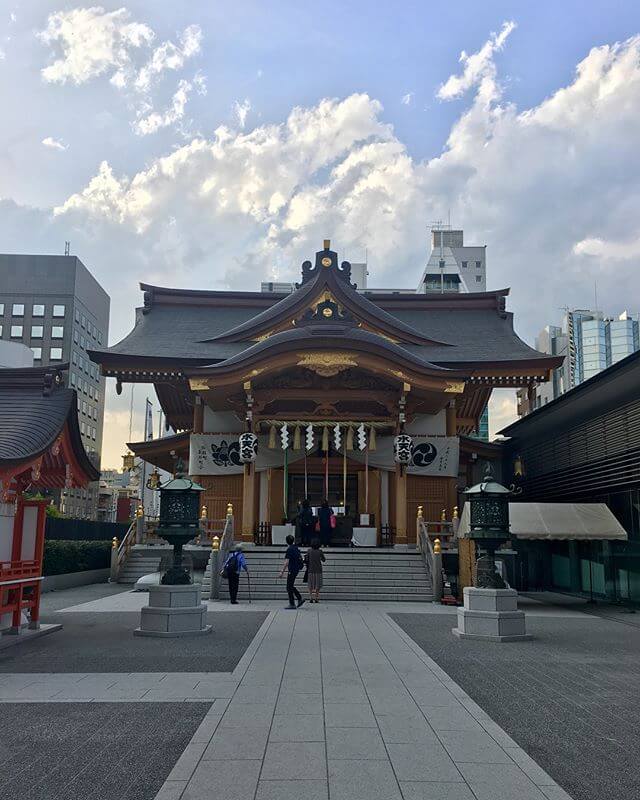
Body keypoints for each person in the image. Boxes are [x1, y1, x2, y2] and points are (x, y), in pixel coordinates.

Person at [279, 534, 305, 609]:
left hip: (292, 569)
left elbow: (287, 562)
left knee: (289, 586)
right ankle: (299, 598)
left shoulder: (289, 549)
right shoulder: (295, 548)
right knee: (290, 585)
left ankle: (292, 603)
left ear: (286, 541)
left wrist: (282, 572)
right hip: (296, 569)